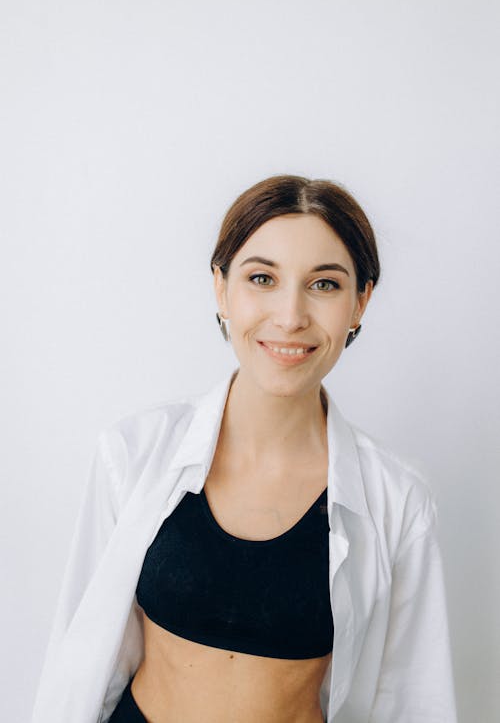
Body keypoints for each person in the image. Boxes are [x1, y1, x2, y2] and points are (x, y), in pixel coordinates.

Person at [31, 174, 457, 723]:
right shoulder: (133, 452)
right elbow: (77, 658)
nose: (289, 315)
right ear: (221, 288)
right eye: (262, 278)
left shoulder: (398, 501)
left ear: (360, 302)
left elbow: (413, 703)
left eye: (324, 284)